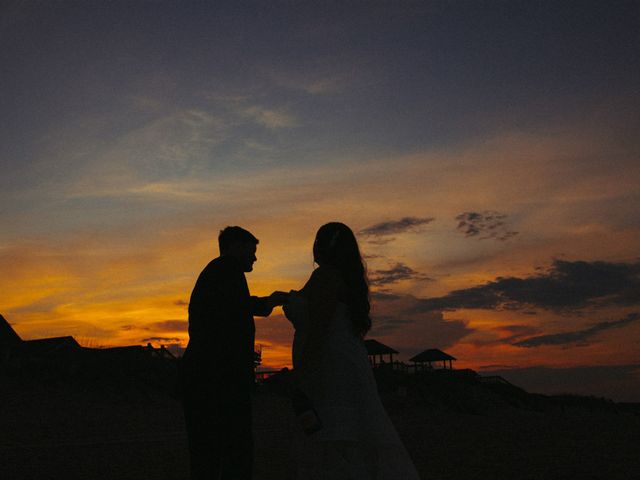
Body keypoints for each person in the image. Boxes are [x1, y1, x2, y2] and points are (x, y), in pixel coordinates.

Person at [284, 222, 420, 479]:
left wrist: (301, 372)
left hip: (330, 365)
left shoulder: (326, 276)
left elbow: (319, 328)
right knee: (354, 433)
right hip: (346, 361)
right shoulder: (341, 277)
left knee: (334, 435)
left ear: (321, 246)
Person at [181, 226, 288, 480]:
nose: (254, 258)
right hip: (218, 381)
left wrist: (267, 302)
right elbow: (239, 307)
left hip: (206, 379)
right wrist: (268, 302)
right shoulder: (227, 271)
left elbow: (236, 306)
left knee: (207, 454)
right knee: (233, 450)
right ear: (234, 247)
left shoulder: (218, 273)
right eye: (251, 251)